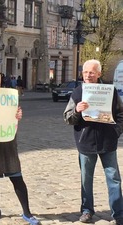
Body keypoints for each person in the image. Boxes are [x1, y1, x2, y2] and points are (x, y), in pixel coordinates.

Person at [64, 59, 123, 225]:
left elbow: (120, 114)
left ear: (98, 73)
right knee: (86, 179)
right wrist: (77, 110)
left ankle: (118, 213)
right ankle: (87, 210)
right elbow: (67, 118)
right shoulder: (77, 92)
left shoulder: (109, 91)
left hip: (108, 141)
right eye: (85, 72)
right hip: (86, 142)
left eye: (91, 72)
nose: (88, 75)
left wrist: (116, 132)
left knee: (114, 178)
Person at [0, 67, 41, 225]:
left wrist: (17, 115)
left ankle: (27, 212)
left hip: (6, 140)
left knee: (16, 176)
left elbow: (14, 114)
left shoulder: (8, 96)